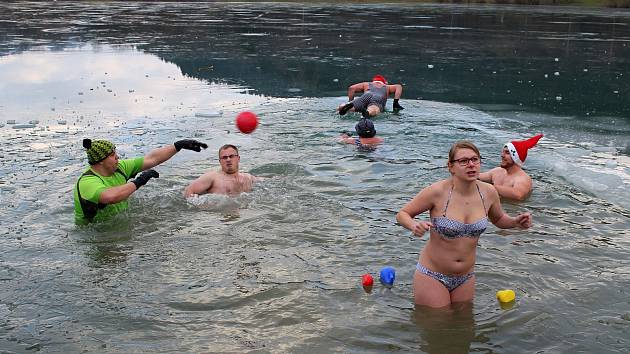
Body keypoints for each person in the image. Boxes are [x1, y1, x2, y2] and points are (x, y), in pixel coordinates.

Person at [396, 141, 532, 308]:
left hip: (466, 277)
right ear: (450, 166)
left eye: (475, 159)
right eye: (463, 161)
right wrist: (413, 225)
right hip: (432, 275)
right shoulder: (436, 192)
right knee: (438, 326)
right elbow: (402, 214)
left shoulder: (489, 192)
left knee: (465, 325)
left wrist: (515, 222)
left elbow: (498, 219)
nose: (471, 165)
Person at [74, 138, 208, 225]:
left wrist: (178, 146)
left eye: (115, 153)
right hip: (93, 233)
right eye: (112, 155)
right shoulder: (88, 182)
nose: (117, 157)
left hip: (119, 223)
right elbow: (111, 196)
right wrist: (139, 181)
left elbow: (152, 159)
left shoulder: (119, 167)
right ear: (101, 161)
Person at [479, 134, 543, 201]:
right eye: (503, 152)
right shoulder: (497, 171)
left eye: (507, 153)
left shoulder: (523, 178)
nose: (502, 155)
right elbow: (477, 177)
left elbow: (518, 195)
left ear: (516, 158)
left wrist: (488, 187)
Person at [184, 144, 258, 197]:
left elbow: (266, 182)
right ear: (220, 161)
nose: (228, 159)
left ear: (238, 158)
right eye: (224, 157)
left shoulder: (248, 178)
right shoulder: (212, 177)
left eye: (231, 156)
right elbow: (188, 191)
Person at [337, 74, 403, 118]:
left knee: (353, 107)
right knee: (374, 109)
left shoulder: (367, 84)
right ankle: (368, 112)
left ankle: (343, 106)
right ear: (384, 82)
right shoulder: (387, 86)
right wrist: (395, 103)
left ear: (373, 81)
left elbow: (351, 88)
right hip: (378, 98)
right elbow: (399, 87)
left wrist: (351, 101)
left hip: (367, 95)